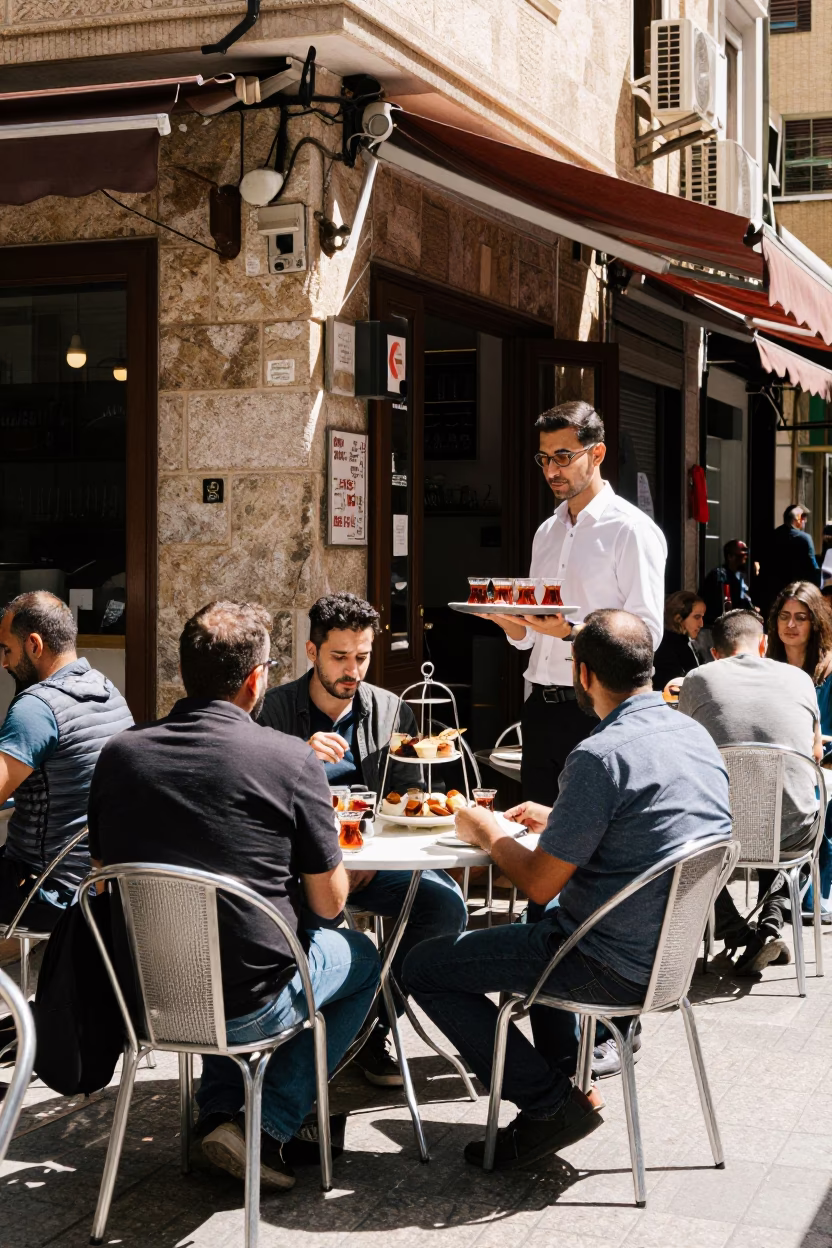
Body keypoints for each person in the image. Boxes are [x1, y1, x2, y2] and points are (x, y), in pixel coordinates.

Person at [403, 610, 731, 1170]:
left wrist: (480, 826)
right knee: (544, 918)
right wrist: (560, 820)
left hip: (604, 959)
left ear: (583, 676)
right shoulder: (693, 734)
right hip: (670, 957)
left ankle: (547, 1102)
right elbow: (651, 828)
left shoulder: (599, 756)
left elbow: (534, 880)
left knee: (421, 967)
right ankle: (570, 1081)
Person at [88, 600, 380, 1190]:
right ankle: (264, 1127)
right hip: (249, 1007)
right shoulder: (290, 759)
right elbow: (328, 906)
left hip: (144, 998)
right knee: (359, 958)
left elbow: (104, 875)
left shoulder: (119, 755)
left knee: (235, 950)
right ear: (255, 680)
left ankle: (217, 1115)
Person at [258, 592, 467, 1088]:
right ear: (312, 653)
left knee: (445, 905)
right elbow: (252, 799)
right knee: (314, 925)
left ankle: (372, 1021)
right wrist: (295, 757)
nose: (353, 670)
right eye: (340, 657)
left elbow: (412, 796)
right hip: (300, 872)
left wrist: (377, 853)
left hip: (374, 864)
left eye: (363, 656)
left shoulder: (392, 712)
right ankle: (307, 1034)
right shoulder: (273, 712)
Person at [488, 401, 667, 807]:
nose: (552, 471)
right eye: (545, 459)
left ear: (597, 453)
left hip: (599, 711)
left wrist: (571, 633)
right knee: (537, 841)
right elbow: (531, 636)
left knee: (591, 851)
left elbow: (646, 636)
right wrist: (508, 621)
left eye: (564, 457)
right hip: (540, 708)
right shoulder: (546, 532)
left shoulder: (632, 530)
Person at [678, 609, 822, 972]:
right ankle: (770, 926)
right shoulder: (799, 679)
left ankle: (737, 933)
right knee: (784, 809)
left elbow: (683, 752)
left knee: (681, 843)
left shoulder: (697, 679)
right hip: (793, 836)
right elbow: (816, 753)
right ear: (764, 643)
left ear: (715, 652)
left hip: (721, 837)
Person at [0, 591, 132, 935]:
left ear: (33, 644)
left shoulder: (36, 707)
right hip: (100, 884)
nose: (3, 663)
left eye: (7, 650)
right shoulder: (107, 691)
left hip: (45, 891)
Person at [767, 581, 832, 920]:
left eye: (801, 617)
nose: (790, 625)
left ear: (815, 622)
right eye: (784, 616)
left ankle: (797, 899)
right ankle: (775, 905)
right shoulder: (765, 668)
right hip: (775, 769)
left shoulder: (829, 670)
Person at [763, 506, 821, 608]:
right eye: (804, 519)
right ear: (798, 519)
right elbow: (813, 569)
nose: (805, 522)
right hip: (797, 593)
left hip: (772, 593)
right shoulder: (804, 538)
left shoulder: (771, 536)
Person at [652, 590, 705, 692]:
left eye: (702, 617)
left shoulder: (685, 643)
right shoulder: (666, 648)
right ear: (678, 618)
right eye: (697, 617)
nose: (701, 624)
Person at [700, 540, 755, 627]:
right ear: (730, 556)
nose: (746, 555)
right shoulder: (720, 576)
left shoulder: (740, 576)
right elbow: (721, 605)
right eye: (742, 552)